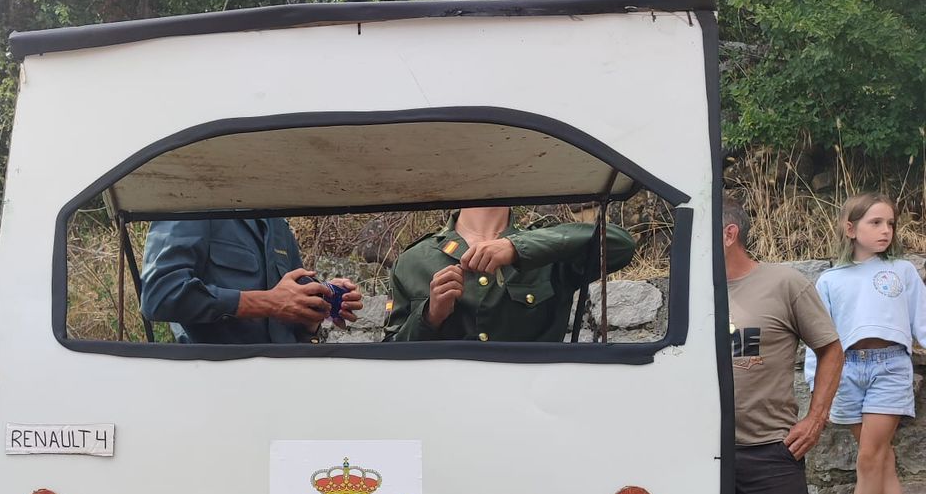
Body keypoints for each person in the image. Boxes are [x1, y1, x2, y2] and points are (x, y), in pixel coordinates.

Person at [725, 196, 843, 494]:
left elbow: (831, 349)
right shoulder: (697, 292)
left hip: (770, 452)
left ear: (729, 233)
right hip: (710, 455)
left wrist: (815, 419)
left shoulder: (784, 283)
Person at [810, 193, 926, 494]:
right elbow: (821, 337)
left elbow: (922, 323)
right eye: (875, 222)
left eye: (890, 223)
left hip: (889, 366)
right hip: (846, 371)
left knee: (870, 458)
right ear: (850, 228)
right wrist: (817, 384)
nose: (885, 230)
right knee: (881, 461)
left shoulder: (902, 271)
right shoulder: (830, 280)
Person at [384, 205, 636, 343]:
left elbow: (619, 245)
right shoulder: (413, 261)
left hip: (530, 407)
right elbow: (389, 355)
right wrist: (430, 316)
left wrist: (517, 247)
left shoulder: (548, 252)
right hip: (446, 408)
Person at [139, 217, 361, 344]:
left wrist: (318, 307)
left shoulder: (278, 226)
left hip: (286, 387)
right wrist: (269, 302)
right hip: (216, 389)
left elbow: (293, 322)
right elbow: (159, 295)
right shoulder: (195, 202)